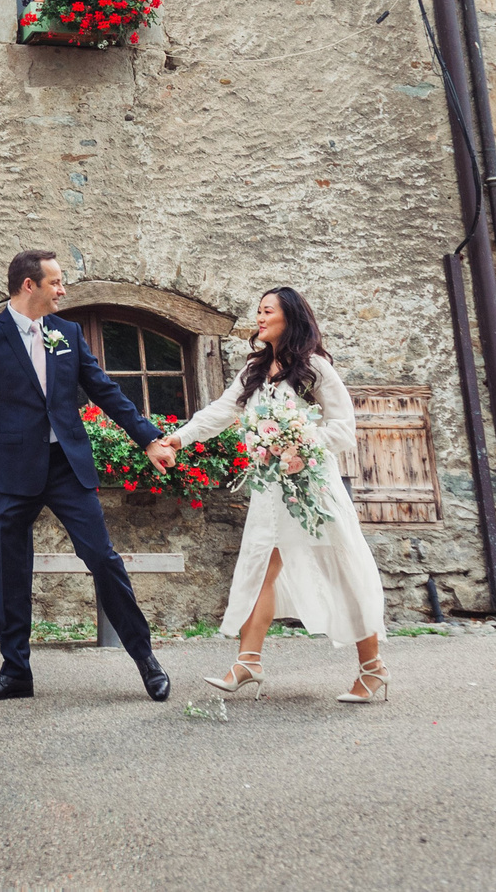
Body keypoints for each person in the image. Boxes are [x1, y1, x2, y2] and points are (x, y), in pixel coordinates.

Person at [0, 249, 174, 703]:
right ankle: (15, 671)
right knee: (10, 572)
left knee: (103, 559)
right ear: (29, 285)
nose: (63, 290)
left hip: (67, 467)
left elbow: (105, 390)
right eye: (55, 282)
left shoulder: (67, 332)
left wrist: (149, 438)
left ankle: (146, 660)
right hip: (10, 470)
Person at [156, 287, 391, 703]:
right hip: (270, 489)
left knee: (342, 568)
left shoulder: (315, 368)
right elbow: (223, 410)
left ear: (290, 318)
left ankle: (372, 670)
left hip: (313, 487)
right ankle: (248, 662)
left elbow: (343, 429)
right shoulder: (253, 368)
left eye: (267, 312)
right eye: (259, 312)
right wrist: (179, 438)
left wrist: (301, 444)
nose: (259, 318)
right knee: (260, 566)